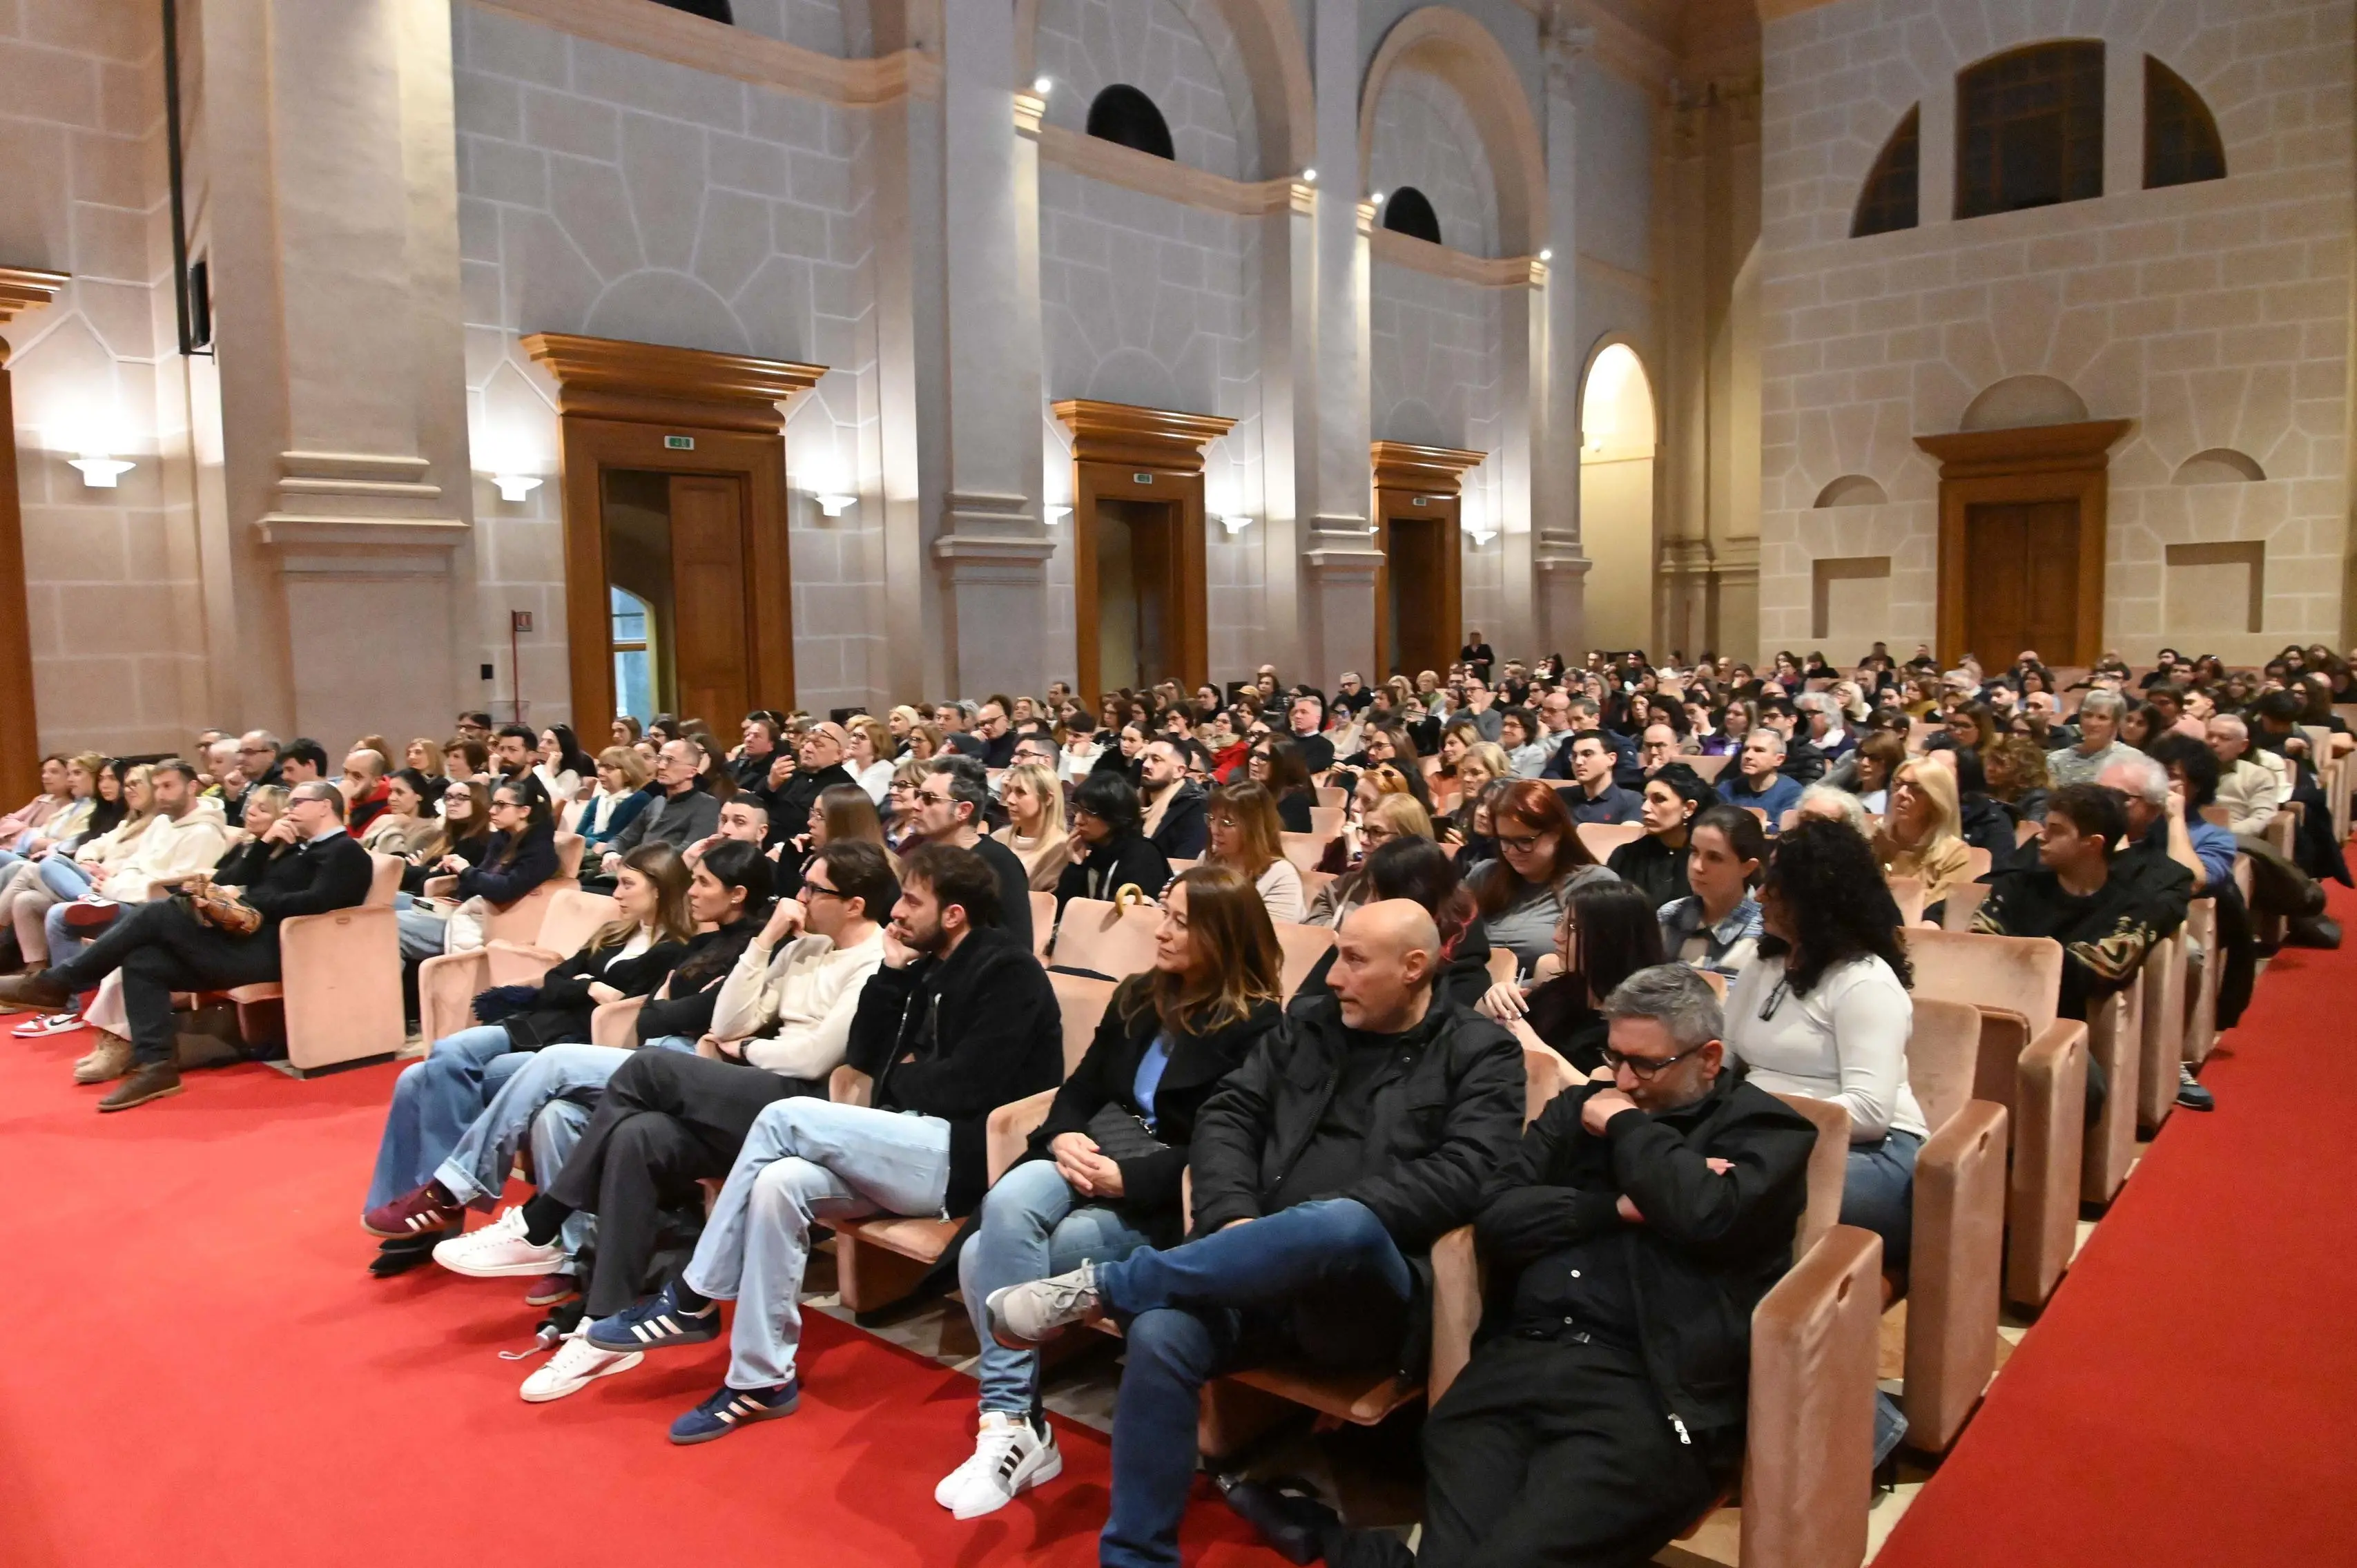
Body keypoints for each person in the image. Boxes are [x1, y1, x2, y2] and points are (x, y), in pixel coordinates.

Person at [984, 899, 1526, 1568]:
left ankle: (1109, 1287)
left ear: (1415, 968)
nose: (1331, 976)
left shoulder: (1479, 1053)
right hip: (1250, 1279)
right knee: (1159, 1332)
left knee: (1344, 1221)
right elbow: (1226, 1118)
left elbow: (1471, 1174)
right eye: (1335, 954)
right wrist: (1234, 1224)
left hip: (1370, 1300)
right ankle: (1136, 1556)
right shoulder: (1308, 1027)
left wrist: (1309, 1227)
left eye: (1354, 960)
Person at [482, 845, 1060, 1440]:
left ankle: (691, 1295)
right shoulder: (922, 966)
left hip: (960, 1158)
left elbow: (965, 1088)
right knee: (778, 1181)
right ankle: (761, 1378)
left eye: (913, 900)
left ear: (956, 913)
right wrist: (890, 979)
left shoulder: (1007, 970)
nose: (899, 911)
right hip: (903, 1137)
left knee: (783, 1117)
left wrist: (906, 1073)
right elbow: (870, 1058)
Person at [1306, 965, 1816, 1568]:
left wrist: (1627, 1127)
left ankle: (1343, 1548)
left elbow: (1703, 1212)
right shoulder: (1578, 1109)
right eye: (1614, 1055)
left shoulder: (1766, 1129)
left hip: (1647, 1393)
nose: (1622, 1079)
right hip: (1519, 1362)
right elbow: (1498, 1213)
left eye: (1645, 1064)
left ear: (1708, 1058)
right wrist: (1616, 1208)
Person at [939, 866, 1286, 1518]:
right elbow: (1082, 1087)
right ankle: (1010, 1421)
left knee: (981, 1255)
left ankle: (1024, 1431)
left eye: (1182, 920)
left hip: (1159, 1191)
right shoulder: (1137, 995)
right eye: (1165, 910)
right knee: (1009, 1205)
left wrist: (1134, 1178)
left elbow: (1237, 1144)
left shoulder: (1260, 1028)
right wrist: (1064, 1134)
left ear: (1222, 932)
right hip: (1091, 1152)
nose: (1162, 928)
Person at [360, 844, 699, 1245]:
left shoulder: (674, 951)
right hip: (537, 1024)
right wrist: (589, 986)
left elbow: (619, 1004)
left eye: (628, 884)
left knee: (419, 1078)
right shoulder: (612, 932)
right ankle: (427, 1202)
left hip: (570, 1043)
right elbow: (557, 979)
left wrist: (577, 988)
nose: (617, 893)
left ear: (659, 890)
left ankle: (437, 1205)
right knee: (437, 1060)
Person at [0, 780, 374, 1110]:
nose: (289, 811)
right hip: (241, 940)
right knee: (144, 960)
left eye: (297, 803)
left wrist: (248, 902)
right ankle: (157, 1066)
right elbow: (229, 878)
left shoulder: (347, 854)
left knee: (155, 915)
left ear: (325, 805)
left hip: (280, 950)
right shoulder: (293, 846)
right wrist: (264, 844)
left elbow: (320, 903)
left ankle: (58, 983)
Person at [1727, 820, 1924, 1267]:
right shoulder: (1765, 964)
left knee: (1743, 1187)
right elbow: (1723, 1057)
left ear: (1813, 897)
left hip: (1871, 1154)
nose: (1758, 896)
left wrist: (1757, 1118)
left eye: (1775, 886)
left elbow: (1871, 1113)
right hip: (1773, 1138)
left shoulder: (1864, 981)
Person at [1972, 784, 2193, 1115]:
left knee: (2085, 1086)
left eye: (2056, 830)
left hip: (2060, 1024)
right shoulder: (2019, 884)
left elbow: (2101, 969)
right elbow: (1978, 947)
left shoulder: (2134, 904)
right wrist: (2043, 959)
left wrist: (2023, 957)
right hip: (1995, 1012)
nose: (2040, 837)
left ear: (2092, 844)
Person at [1475, 880, 1667, 1072]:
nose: (1557, 936)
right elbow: (1480, 1027)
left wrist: (1535, 1047)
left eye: (1574, 928)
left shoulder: (1640, 1023)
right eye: (1561, 922)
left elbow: (1603, 1092)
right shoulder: (1563, 990)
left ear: (1612, 938)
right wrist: (1492, 999)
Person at [396, 780, 560, 965]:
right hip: (463, 909)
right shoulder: (502, 838)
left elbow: (504, 889)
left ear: (524, 811)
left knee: (389, 926)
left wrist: (466, 870)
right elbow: (480, 878)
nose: (492, 811)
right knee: (390, 906)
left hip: (484, 924)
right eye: (493, 804)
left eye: (501, 805)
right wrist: (461, 870)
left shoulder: (540, 853)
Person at [1470, 780, 1620, 974]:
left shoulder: (1594, 883)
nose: (1512, 851)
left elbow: (1604, 967)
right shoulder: (1484, 875)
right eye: (1504, 840)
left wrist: (1527, 987)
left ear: (1556, 833)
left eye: (1525, 841)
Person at [908, 757, 1034, 953]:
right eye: (918, 795)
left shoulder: (997, 862)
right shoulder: (923, 855)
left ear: (963, 810)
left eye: (929, 799)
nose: (916, 806)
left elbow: (1018, 945)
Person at [1658, 803, 1767, 979]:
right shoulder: (1669, 914)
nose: (1697, 866)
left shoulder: (1766, 928)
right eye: (1694, 852)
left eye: (1714, 858)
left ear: (1748, 867)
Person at [1306, 793, 1433, 929]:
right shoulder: (1340, 888)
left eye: (1377, 832)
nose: (1363, 840)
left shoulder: (1436, 897)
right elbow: (1314, 939)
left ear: (1408, 838)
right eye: (1364, 830)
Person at [1054, 772, 1174, 913]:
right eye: (1077, 810)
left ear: (1115, 815)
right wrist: (1075, 867)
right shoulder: (1095, 854)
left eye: (1089, 812)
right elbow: (1062, 913)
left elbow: (1127, 919)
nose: (1077, 820)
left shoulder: (1143, 856)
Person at [601, 737, 721, 875]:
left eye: (670, 760)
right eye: (660, 759)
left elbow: (688, 851)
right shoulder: (657, 801)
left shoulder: (706, 804)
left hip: (664, 878)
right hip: (634, 871)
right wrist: (611, 852)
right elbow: (623, 837)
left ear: (692, 772)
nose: (661, 766)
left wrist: (631, 859)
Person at [1607, 762, 1714, 911]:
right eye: (1645, 799)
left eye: (1659, 799)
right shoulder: (1626, 855)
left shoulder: (1708, 860)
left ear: (1689, 808)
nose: (1644, 808)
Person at [1874, 759, 1972, 910]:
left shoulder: (1955, 855)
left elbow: (1938, 915)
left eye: (1916, 789)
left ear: (1936, 800)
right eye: (1898, 784)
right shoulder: (1875, 840)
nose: (1901, 793)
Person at [1202, 780, 1306, 922]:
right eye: (1212, 819)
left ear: (1255, 828)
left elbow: (1272, 939)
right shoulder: (1208, 858)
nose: (1214, 830)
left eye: (1226, 823)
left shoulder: (1281, 875)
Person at [991, 760, 1073, 891]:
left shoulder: (1061, 849)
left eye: (1021, 792)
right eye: (1009, 791)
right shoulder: (997, 838)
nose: (1010, 800)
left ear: (1048, 799)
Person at [1135, 739, 1208, 861]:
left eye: (1156, 760)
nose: (1146, 765)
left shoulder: (1196, 807)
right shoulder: (1134, 801)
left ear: (1179, 771)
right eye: (1145, 758)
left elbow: (1186, 863)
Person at [2046, 688, 2135, 786]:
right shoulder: (2056, 760)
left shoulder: (2132, 759)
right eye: (2088, 715)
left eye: (2102, 718)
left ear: (2116, 723)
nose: (2092, 723)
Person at [1561, 728, 1646, 826]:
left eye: (1587, 754)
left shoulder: (1632, 800)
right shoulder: (1560, 798)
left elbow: (1628, 838)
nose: (1578, 762)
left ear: (1611, 759)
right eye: (1574, 756)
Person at [1720, 730, 1803, 826]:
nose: (1748, 756)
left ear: (1779, 759)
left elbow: (1783, 831)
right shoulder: (1729, 788)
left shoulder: (1793, 793)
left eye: (1759, 750)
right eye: (1746, 749)